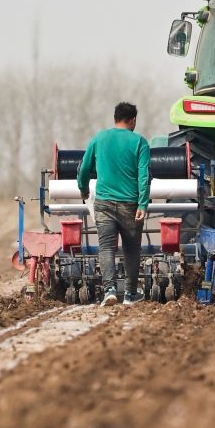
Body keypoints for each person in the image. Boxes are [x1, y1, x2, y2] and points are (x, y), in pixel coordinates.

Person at [78, 102, 151, 306]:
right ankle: (129, 295)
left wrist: (83, 189)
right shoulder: (140, 142)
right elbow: (144, 176)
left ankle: (109, 290)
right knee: (131, 250)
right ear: (133, 120)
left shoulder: (99, 138)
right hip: (130, 205)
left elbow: (83, 169)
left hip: (104, 204)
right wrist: (143, 205)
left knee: (107, 248)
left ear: (115, 117)